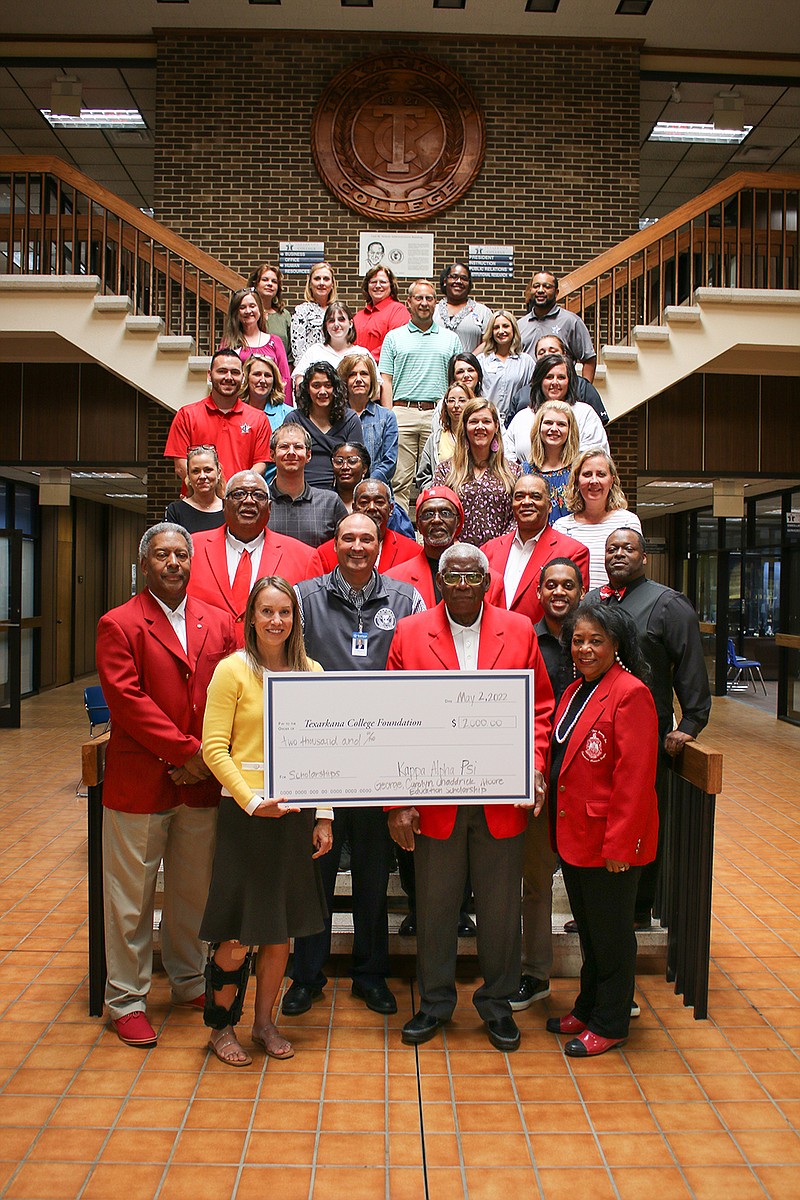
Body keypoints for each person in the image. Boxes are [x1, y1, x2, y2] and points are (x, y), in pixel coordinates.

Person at [386, 544, 554, 1053]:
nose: (461, 583)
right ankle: (435, 1003)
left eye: (471, 575)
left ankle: (497, 1005)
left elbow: (540, 710)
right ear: (439, 582)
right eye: (451, 575)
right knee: (435, 908)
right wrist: (397, 800)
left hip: (501, 800)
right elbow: (392, 719)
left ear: (486, 582)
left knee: (501, 911)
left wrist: (535, 769)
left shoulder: (520, 631)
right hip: (434, 800)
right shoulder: (410, 633)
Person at [96, 523, 237, 1047]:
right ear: (145, 564)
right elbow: (127, 702)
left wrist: (202, 760)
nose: (174, 562)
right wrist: (187, 753)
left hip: (199, 786)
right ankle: (126, 1000)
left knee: (190, 894)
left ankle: (187, 980)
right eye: (162, 555)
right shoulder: (119, 623)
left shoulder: (219, 622)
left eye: (181, 553)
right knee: (130, 900)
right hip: (141, 784)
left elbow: (229, 692)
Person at [282, 513, 425, 1018]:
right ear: (334, 544)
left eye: (368, 538)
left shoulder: (407, 600)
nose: (358, 546)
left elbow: (420, 676)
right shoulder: (303, 598)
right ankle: (306, 976)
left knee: (371, 874)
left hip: (380, 764)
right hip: (318, 761)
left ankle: (371, 974)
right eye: (348, 538)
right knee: (313, 874)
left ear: (381, 544)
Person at [199, 577, 333, 1066]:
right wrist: (253, 802)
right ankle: (220, 1028)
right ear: (251, 617)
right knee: (238, 934)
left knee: (280, 933)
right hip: (246, 819)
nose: (276, 621)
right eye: (266, 611)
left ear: (296, 619)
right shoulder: (231, 672)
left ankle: (263, 1023)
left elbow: (321, 754)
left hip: (294, 820)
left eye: (285, 612)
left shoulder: (312, 672)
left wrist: (324, 816)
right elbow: (214, 748)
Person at [545, 600, 658, 1057]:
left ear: (616, 644)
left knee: (611, 937)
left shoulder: (631, 693)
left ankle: (610, 1022)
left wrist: (621, 845)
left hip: (609, 841)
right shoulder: (575, 691)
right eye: (578, 640)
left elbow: (634, 779)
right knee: (589, 932)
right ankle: (589, 1005)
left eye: (596, 641)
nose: (585, 649)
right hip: (575, 837)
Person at [591, 529, 712, 929]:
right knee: (600, 817)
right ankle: (599, 907)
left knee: (639, 820)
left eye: (628, 548)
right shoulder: (594, 602)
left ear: (644, 557)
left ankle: (637, 911)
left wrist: (691, 723)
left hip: (646, 736)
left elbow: (690, 668)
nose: (618, 554)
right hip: (595, 735)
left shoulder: (668, 604)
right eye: (611, 549)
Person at [509, 556, 585, 1013]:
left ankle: (603, 983)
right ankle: (534, 974)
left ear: (581, 591)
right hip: (537, 781)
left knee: (587, 885)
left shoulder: (594, 639)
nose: (559, 593)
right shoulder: (522, 637)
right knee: (535, 883)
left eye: (568, 586)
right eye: (550, 585)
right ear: (538, 592)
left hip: (584, 783)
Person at [187, 470, 313, 643]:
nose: (248, 501)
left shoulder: (305, 557)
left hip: (273, 666)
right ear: (224, 504)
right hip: (208, 666)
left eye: (258, 495)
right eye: (238, 494)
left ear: (269, 507)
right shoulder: (190, 550)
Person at [379, 278, 462, 513]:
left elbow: (457, 380)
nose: (424, 303)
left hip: (438, 414)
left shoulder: (450, 338)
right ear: (408, 303)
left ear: (436, 303)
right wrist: (390, 414)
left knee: (439, 476)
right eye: (419, 298)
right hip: (402, 412)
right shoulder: (394, 337)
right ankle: (404, 533)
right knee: (399, 481)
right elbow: (386, 378)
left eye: (429, 298)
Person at [483, 474, 590, 623]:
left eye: (535, 496)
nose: (526, 502)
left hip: (543, 643)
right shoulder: (488, 550)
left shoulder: (573, 552)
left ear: (550, 506)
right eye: (519, 496)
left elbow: (573, 612)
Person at [163, 348, 272, 488]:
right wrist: (211, 493)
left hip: (240, 502)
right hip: (198, 504)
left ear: (243, 377)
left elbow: (261, 465)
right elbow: (180, 465)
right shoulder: (186, 415)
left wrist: (235, 491)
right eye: (222, 371)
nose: (229, 377)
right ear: (209, 375)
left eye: (235, 372)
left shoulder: (259, 419)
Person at [433, 397, 520, 547]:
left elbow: (518, 516)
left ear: (496, 426)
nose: (480, 427)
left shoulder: (513, 471)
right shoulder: (445, 470)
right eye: (474, 422)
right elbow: (438, 511)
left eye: (486, 421)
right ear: (465, 427)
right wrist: (456, 546)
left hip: (502, 553)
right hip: (457, 554)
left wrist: (500, 548)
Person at [553, 449, 643, 590]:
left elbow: (636, 571)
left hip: (617, 607)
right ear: (577, 480)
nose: (594, 481)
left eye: (601, 474)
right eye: (587, 474)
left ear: (612, 479)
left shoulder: (627, 521)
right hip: (577, 609)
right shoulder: (562, 526)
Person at [504, 353, 608, 462]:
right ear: (540, 381)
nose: (555, 382)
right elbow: (507, 456)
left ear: (569, 381)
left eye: (561, 377)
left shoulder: (585, 414)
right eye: (549, 377)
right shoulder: (522, 417)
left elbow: (596, 457)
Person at [309, 478, 420, 575]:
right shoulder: (325, 553)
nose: (372, 507)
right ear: (354, 507)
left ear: (391, 509)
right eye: (364, 502)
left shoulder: (413, 552)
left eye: (379, 502)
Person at [283, 361, 362, 490]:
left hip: (341, 491)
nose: (322, 391)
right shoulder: (294, 419)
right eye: (316, 386)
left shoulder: (350, 420)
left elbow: (357, 463)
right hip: (300, 491)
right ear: (307, 389)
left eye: (328, 385)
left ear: (335, 388)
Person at [267, 424, 347, 548]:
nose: (291, 452)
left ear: (308, 455)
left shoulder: (330, 502)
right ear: (272, 455)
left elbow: (344, 547)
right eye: (284, 447)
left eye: (298, 447)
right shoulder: (260, 500)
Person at [517, 270, 597, 383]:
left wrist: (584, 389)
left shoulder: (571, 321)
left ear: (556, 292)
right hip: (529, 391)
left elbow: (589, 359)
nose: (540, 290)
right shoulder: (520, 325)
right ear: (531, 290)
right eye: (536, 286)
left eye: (547, 286)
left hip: (560, 391)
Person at [339, 352, 398, 484]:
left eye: (364, 374)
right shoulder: (336, 416)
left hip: (377, 492)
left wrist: (367, 485)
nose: (358, 379)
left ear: (371, 379)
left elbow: (389, 462)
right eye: (352, 374)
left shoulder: (386, 417)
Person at [221, 287, 291, 394]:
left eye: (252, 306)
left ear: (260, 309)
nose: (248, 311)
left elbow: (285, 379)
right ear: (236, 312)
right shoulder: (229, 342)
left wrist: (284, 409)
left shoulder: (275, 341)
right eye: (242, 307)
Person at [291, 302, 373, 394]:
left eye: (341, 319)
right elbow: (299, 383)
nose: (336, 324)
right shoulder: (314, 351)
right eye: (331, 320)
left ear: (350, 323)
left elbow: (376, 388)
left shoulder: (362, 353)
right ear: (326, 325)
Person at [520, 400, 580, 524]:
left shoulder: (580, 470)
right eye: (548, 423)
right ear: (539, 427)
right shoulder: (524, 471)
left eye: (561, 424)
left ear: (570, 430)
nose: (554, 429)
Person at [238, 356, 293, 489]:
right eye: (257, 374)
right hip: (238, 484)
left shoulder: (288, 414)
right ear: (246, 378)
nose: (262, 380)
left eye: (267, 375)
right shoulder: (235, 410)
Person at [532, 333, 609, 425]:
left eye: (553, 351)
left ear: (564, 354)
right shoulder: (524, 397)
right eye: (541, 352)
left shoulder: (583, 390)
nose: (547, 355)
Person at [475, 310, 536, 426]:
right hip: (486, 420)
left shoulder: (526, 361)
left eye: (506, 326)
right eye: (496, 327)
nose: (501, 331)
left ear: (513, 329)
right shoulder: (482, 360)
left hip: (517, 421)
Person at [415, 381, 471, 493]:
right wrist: (435, 493)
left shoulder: (475, 437)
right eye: (451, 401)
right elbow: (423, 476)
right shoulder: (435, 440)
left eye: (462, 400)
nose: (456, 405)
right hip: (441, 500)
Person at [165, 444, 226, 534]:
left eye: (208, 470)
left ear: (219, 472)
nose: (202, 476)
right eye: (195, 471)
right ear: (188, 476)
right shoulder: (175, 511)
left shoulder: (230, 509)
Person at [352, 265, 409, 361]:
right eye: (373, 282)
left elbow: (395, 344)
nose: (378, 286)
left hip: (382, 372)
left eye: (383, 282)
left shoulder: (398, 311)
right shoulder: (358, 316)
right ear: (367, 286)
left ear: (391, 286)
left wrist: (365, 361)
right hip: (357, 371)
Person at [434, 261, 492, 353]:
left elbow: (489, 342)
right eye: (454, 277)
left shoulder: (483, 312)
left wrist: (469, 360)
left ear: (469, 284)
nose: (458, 281)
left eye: (464, 278)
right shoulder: (433, 311)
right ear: (445, 281)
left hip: (470, 366)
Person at [291, 260, 337, 362]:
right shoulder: (301, 311)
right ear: (310, 284)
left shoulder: (338, 311)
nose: (321, 283)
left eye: (326, 279)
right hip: (310, 370)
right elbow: (298, 351)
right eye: (317, 279)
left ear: (332, 284)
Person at [247, 262, 292, 363]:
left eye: (274, 281)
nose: (270, 284)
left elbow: (289, 354)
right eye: (265, 280)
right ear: (255, 283)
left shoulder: (284, 315)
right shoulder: (246, 313)